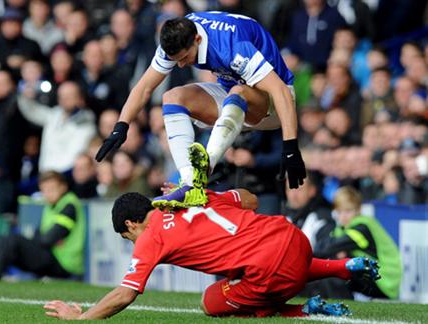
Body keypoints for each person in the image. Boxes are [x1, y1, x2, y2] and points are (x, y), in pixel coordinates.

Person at [43, 143, 379, 320]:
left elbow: (125, 293)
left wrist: (82, 318)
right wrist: (210, 196)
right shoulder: (189, 198)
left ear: (131, 224)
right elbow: (251, 200)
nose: (131, 242)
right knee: (242, 265)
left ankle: (304, 309)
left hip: (274, 272)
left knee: (212, 301)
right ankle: (341, 267)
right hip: (294, 239)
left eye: (127, 236)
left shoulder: (150, 236)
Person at [95, 12, 306, 209]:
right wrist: (121, 125)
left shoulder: (231, 45)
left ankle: (203, 170)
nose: (181, 65)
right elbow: (144, 87)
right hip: (235, 95)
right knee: (173, 97)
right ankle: (189, 183)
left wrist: (290, 147)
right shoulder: (177, 35)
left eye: (185, 58)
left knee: (238, 90)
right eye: (176, 60)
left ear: (197, 40)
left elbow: (281, 92)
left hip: (274, 103)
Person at [0, 171, 85, 279]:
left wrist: (40, 237)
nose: (47, 193)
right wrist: (41, 237)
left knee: (13, 241)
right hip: (52, 255)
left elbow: (48, 239)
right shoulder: (50, 205)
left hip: (64, 264)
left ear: (63, 187)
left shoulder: (69, 205)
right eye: (44, 190)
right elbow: (41, 235)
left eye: (52, 189)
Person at [316, 186, 401, 299]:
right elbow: (330, 247)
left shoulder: (362, 227)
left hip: (385, 279)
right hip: (374, 275)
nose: (343, 216)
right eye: (339, 211)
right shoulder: (342, 228)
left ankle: (344, 312)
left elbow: (328, 247)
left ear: (359, 210)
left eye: (348, 211)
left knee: (335, 275)